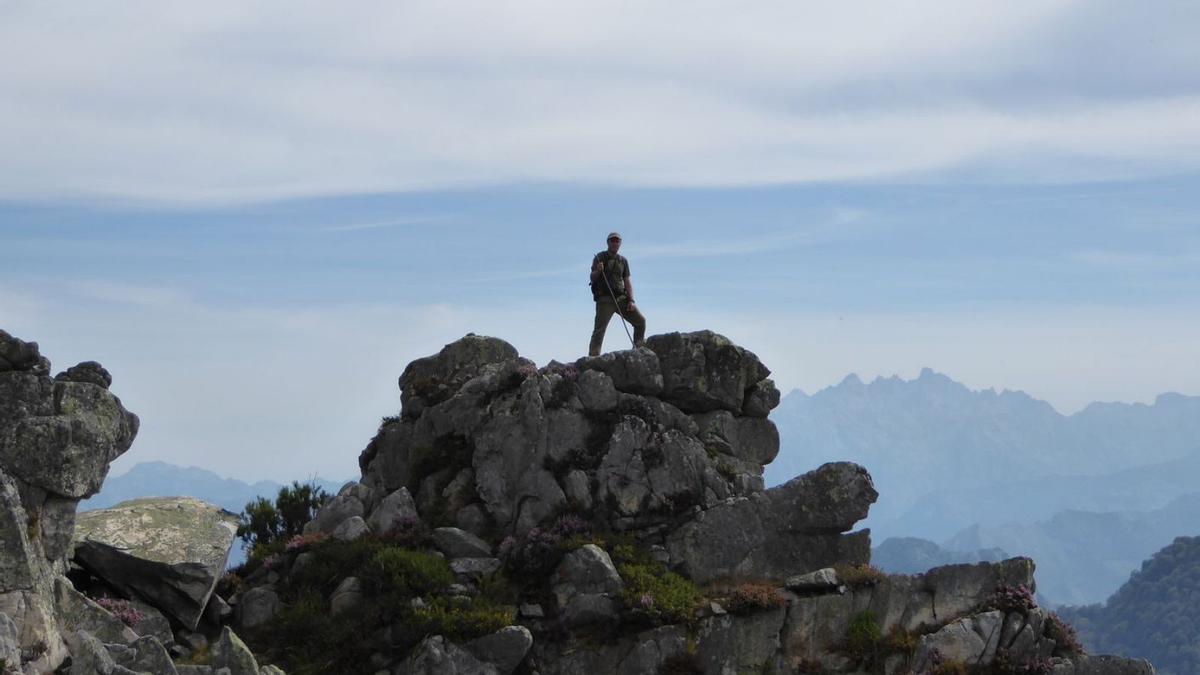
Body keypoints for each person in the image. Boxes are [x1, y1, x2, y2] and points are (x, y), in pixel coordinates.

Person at [589, 232, 647, 356]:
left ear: (620, 243)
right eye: (612, 241)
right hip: (605, 299)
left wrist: (631, 300)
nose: (615, 243)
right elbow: (592, 278)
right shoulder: (600, 257)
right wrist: (598, 271)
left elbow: (627, 281)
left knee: (640, 321)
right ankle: (593, 358)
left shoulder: (623, 261)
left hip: (621, 298)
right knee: (600, 330)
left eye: (617, 241)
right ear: (608, 242)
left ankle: (637, 351)